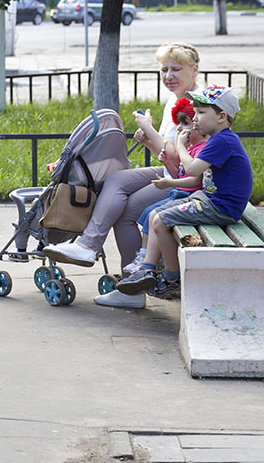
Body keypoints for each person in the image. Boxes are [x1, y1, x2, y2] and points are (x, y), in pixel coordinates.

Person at [43, 43, 202, 271]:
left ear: (194, 69)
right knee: (115, 179)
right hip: (172, 172)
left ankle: (134, 280)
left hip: (189, 181)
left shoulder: (197, 104)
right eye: (164, 70)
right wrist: (149, 140)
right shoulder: (174, 101)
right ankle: (89, 246)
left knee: (125, 214)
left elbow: (180, 160)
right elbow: (165, 156)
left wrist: (149, 130)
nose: (168, 76)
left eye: (176, 69)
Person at [100, 86, 252, 307]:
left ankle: (172, 278)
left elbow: (191, 170)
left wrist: (180, 146)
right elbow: (195, 179)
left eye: (201, 112)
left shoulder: (222, 141)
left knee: (162, 220)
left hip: (222, 208)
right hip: (209, 200)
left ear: (221, 117)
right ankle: (147, 268)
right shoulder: (218, 139)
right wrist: (172, 176)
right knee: (154, 214)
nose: (195, 117)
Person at [120, 98, 206, 277]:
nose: (180, 129)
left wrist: (169, 183)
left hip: (188, 197)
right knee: (147, 214)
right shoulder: (190, 149)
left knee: (154, 215)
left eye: (185, 123)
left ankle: (153, 266)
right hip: (180, 194)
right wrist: (168, 164)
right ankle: (144, 259)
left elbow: (195, 181)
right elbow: (179, 175)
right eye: (178, 124)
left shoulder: (200, 149)